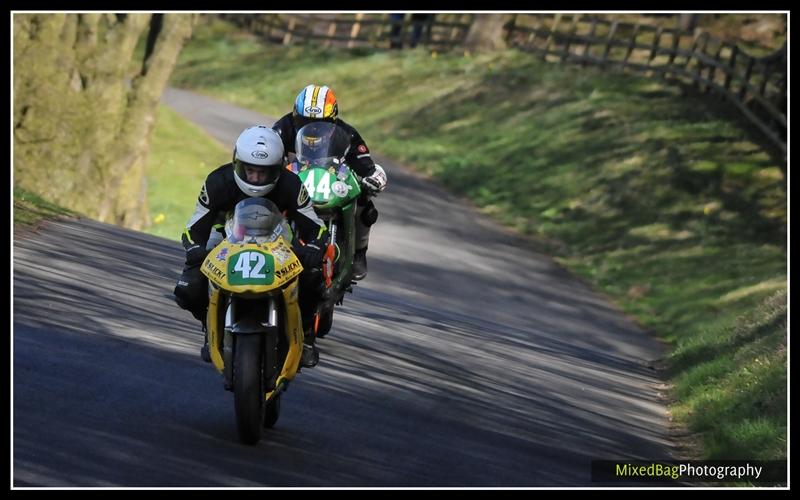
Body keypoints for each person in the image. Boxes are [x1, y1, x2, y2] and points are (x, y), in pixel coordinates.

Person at [173, 125, 329, 368]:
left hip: (277, 241)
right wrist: (195, 251)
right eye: (250, 170)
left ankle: (306, 335)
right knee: (188, 289)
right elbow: (194, 226)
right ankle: (210, 325)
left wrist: (315, 249)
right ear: (238, 163)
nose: (255, 178)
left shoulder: (291, 184)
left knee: (314, 280)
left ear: (277, 169)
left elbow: (315, 225)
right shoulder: (218, 181)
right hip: (225, 241)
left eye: (263, 173)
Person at [272, 84, 387, 281]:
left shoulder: (347, 133)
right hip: (296, 183)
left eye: (321, 123)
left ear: (332, 120)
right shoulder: (283, 128)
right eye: (304, 121)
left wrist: (373, 176)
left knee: (364, 203)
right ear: (295, 116)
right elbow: (268, 150)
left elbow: (364, 162)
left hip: (331, 185)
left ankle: (358, 251)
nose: (312, 128)